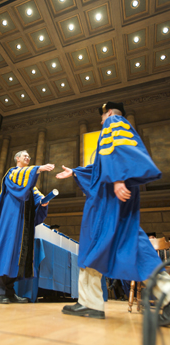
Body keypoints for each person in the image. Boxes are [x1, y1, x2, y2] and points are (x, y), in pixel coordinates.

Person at [56, 101, 170, 326]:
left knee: (131, 245)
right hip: (105, 198)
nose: (100, 120)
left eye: (101, 116)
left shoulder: (114, 122)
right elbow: (99, 167)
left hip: (113, 197)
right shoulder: (108, 131)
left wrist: (118, 178)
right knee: (93, 247)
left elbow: (122, 150)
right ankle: (90, 303)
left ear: (108, 112)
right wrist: (76, 172)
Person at [0, 150, 55, 304]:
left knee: (18, 253)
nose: (28, 158)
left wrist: (44, 201)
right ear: (17, 158)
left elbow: (36, 196)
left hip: (23, 222)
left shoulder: (30, 182)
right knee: (6, 248)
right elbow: (21, 181)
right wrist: (39, 168)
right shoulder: (12, 173)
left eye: (29, 157)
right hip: (11, 217)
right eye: (25, 155)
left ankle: (10, 291)